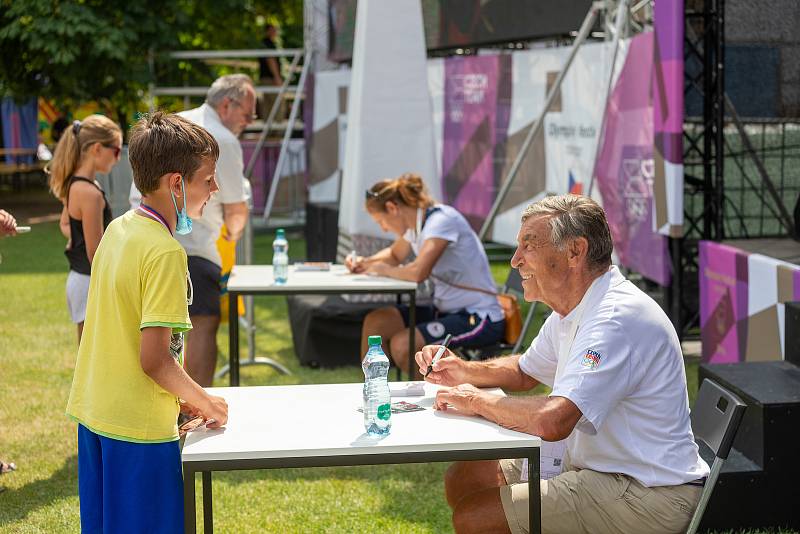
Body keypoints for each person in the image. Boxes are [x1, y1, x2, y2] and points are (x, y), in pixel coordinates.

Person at [415, 194, 709, 534]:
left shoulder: (613, 319)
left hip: (647, 492)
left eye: (529, 246)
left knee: (475, 518)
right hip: (603, 469)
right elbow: (525, 371)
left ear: (575, 252)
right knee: (464, 478)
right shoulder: (577, 305)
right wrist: (463, 370)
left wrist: (477, 401)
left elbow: (554, 420)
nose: (514, 261)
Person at [65, 111, 229, 533]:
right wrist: (207, 402)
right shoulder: (165, 252)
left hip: (96, 415)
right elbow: (155, 360)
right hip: (137, 431)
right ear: (177, 183)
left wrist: (184, 398)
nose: (215, 189)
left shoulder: (119, 229)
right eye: (208, 179)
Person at [130, 74, 253, 387]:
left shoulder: (175, 123)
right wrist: (230, 236)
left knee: (163, 332)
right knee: (199, 327)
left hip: (144, 234)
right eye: (247, 115)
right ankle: (193, 411)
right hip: (196, 249)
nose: (248, 122)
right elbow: (236, 209)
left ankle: (185, 406)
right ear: (227, 104)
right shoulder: (221, 139)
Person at [348, 173, 504, 376]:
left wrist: (381, 270)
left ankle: (439, 398)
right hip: (446, 310)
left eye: (381, 221)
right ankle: (375, 394)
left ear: (392, 208)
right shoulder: (418, 225)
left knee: (403, 345)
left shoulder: (441, 221)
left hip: (478, 316)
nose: (383, 229)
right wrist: (363, 262)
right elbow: (395, 254)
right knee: (376, 322)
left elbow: (417, 272)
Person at [47, 115, 122, 342]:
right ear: (97, 149)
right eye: (116, 151)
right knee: (93, 361)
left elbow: (66, 223)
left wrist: (76, 238)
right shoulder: (89, 193)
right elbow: (95, 253)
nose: (118, 159)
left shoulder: (77, 185)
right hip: (90, 281)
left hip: (80, 280)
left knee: (89, 359)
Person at [258, 23, 284, 121]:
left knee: (267, 104)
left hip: (265, 78)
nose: (275, 32)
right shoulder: (268, 44)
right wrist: (277, 77)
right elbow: (271, 60)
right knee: (277, 103)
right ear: (268, 31)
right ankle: (277, 130)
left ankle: (269, 130)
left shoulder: (263, 43)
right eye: (273, 30)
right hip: (270, 78)